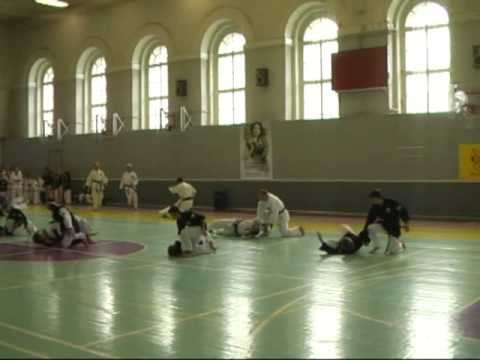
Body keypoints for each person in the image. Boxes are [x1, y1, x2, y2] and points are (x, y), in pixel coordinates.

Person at [364, 189, 410, 256]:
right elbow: (369, 220)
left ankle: (399, 242)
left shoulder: (391, 203)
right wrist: (366, 237)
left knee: (390, 253)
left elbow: (403, 211)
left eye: (372, 199)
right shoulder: (374, 207)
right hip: (384, 226)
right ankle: (377, 246)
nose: (372, 201)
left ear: (377, 198)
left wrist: (406, 223)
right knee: (370, 227)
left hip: (394, 229)